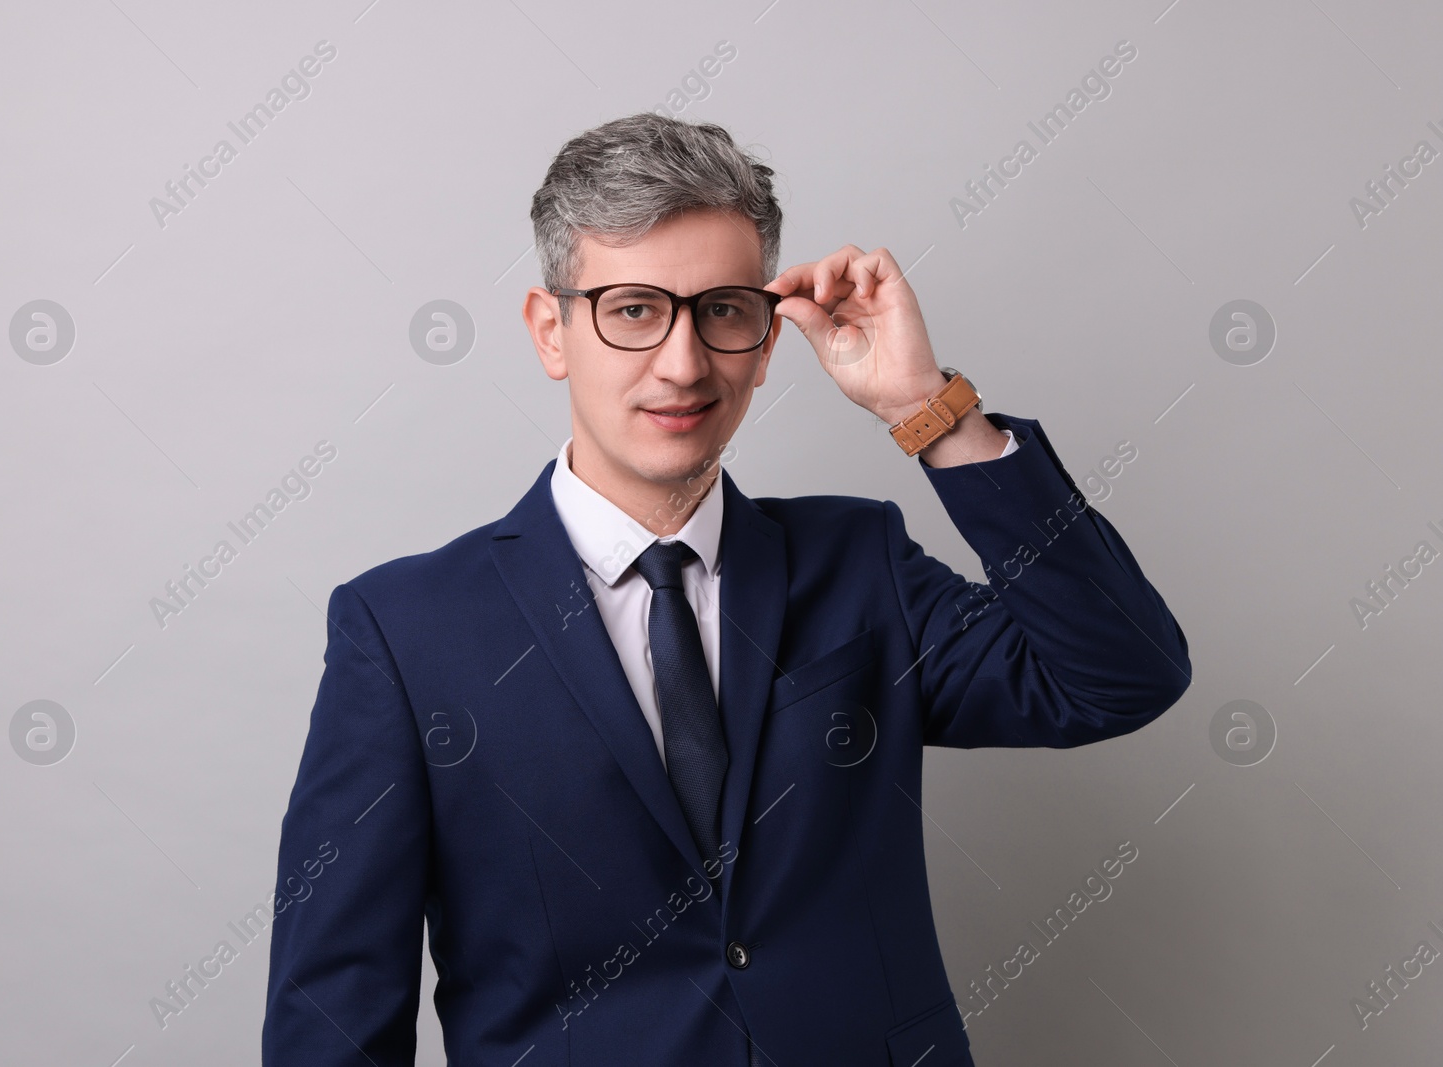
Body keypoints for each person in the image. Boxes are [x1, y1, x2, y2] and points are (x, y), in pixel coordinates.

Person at [262, 112, 1190, 1067]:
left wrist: (927, 410)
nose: (684, 363)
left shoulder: (858, 561)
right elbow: (332, 1013)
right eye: (632, 309)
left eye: (722, 311)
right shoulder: (407, 632)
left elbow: (1119, 673)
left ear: (767, 332)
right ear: (552, 330)